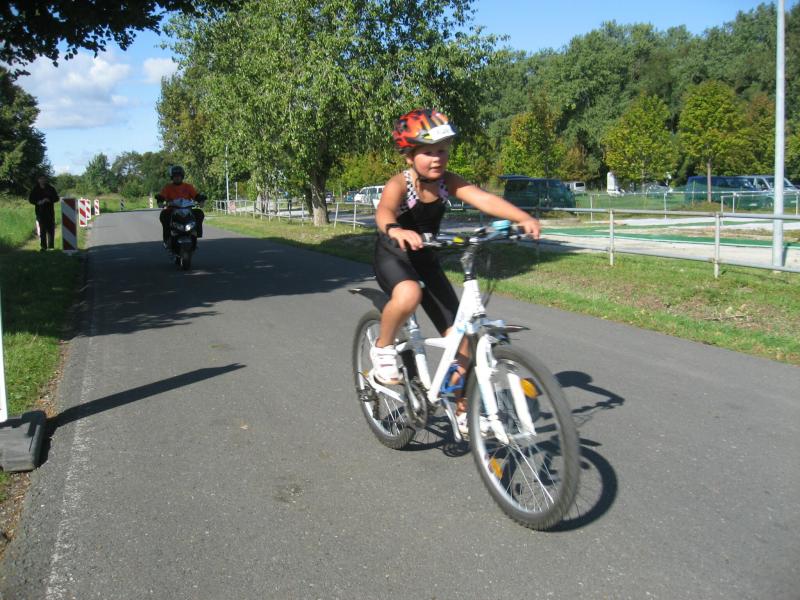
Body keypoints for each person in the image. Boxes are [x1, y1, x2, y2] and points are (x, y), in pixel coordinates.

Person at [371, 108, 541, 433]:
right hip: (394, 254)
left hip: (426, 257)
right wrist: (396, 229)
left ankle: (463, 410)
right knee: (408, 294)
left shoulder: (447, 182)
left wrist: (522, 217)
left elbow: (484, 199)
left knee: (462, 340)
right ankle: (383, 348)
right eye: (428, 152)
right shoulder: (400, 183)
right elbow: (384, 211)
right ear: (409, 155)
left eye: (443, 150)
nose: (437, 158)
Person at [155, 165, 205, 246]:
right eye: (175, 176)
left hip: (187, 210)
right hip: (172, 210)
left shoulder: (188, 187)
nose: (177, 178)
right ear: (172, 177)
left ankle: (196, 233)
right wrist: (160, 200)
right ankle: (167, 238)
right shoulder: (168, 187)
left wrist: (201, 200)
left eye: (179, 176)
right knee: (163, 215)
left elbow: (196, 195)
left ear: (182, 176)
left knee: (199, 213)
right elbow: (162, 196)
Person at [28, 174, 59, 251]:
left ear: (46, 180)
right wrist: (38, 202)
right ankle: (43, 247)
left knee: (50, 229)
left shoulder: (51, 188)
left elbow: (56, 198)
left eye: (44, 178)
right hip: (40, 212)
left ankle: (51, 247)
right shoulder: (35, 189)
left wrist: (49, 200)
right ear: (38, 180)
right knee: (42, 230)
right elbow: (31, 199)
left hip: (50, 212)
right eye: (41, 179)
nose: (42, 180)